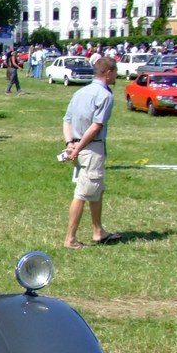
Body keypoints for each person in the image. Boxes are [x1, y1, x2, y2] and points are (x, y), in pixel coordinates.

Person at [60, 56, 121, 249]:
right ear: (108, 73)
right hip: (91, 148)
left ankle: (98, 231)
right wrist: (77, 147)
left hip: (78, 146)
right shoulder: (105, 96)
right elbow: (95, 127)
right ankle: (70, 239)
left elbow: (66, 120)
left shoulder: (80, 92)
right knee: (83, 193)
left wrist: (70, 142)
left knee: (97, 189)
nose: (116, 76)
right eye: (116, 72)